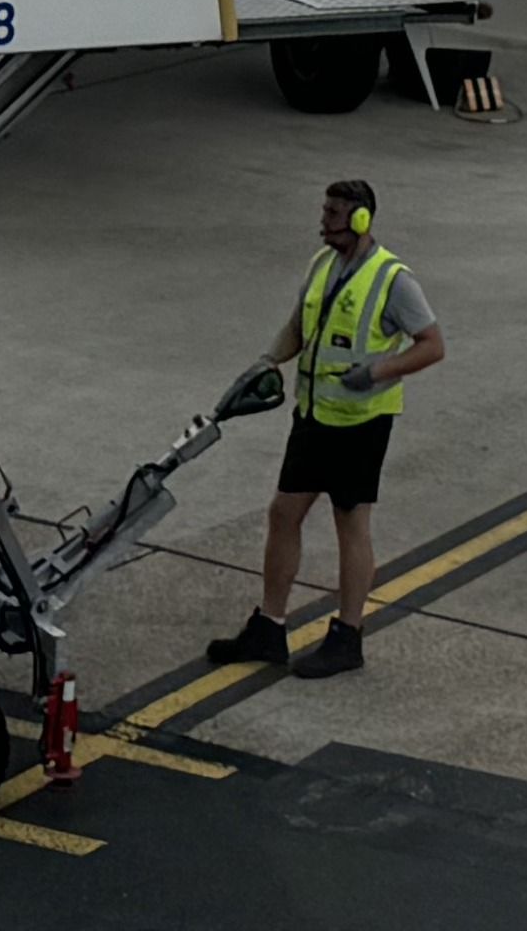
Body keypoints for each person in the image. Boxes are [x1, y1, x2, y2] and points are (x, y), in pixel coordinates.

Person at [208, 177, 441, 678]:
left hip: (360, 423)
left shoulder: (392, 278)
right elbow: (299, 324)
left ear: (361, 220)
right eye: (325, 210)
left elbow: (432, 344)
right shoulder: (323, 265)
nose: (323, 220)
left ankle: (347, 636)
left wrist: (377, 372)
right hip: (314, 415)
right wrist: (269, 361)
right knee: (283, 513)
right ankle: (269, 627)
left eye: (334, 213)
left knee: (350, 524)